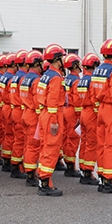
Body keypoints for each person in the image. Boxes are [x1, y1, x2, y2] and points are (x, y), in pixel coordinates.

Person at [90, 39, 112, 194]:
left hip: (101, 110)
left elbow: (92, 94)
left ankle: (102, 177)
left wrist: (97, 109)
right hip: (111, 111)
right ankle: (108, 180)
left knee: (101, 144)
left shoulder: (97, 70)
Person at [36, 43, 67, 197]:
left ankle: (44, 180)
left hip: (45, 113)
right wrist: (54, 121)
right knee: (51, 148)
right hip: (52, 115)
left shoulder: (46, 75)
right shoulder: (55, 77)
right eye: (62, 57)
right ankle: (44, 183)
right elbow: (53, 100)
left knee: (45, 147)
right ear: (57, 59)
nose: (64, 60)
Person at [20, 50, 44, 187]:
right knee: (33, 146)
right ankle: (30, 175)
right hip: (33, 115)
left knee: (27, 144)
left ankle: (28, 170)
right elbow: (37, 101)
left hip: (26, 113)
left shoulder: (25, 78)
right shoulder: (36, 80)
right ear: (37, 64)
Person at [77, 53, 101, 185]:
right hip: (91, 113)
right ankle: (87, 172)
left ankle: (83, 167)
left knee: (84, 142)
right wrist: (99, 115)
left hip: (83, 112)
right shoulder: (92, 80)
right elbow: (94, 99)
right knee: (92, 143)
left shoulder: (82, 80)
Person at [8, 50, 29, 179]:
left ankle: (17, 165)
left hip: (14, 109)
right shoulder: (23, 78)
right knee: (21, 140)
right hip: (21, 110)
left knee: (17, 139)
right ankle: (16, 167)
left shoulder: (15, 76)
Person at [62, 54, 82, 178]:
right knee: (73, 139)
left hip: (64, 109)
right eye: (79, 63)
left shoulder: (65, 79)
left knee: (65, 137)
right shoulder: (76, 81)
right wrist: (80, 116)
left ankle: (67, 163)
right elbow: (77, 100)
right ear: (75, 66)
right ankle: (70, 166)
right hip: (73, 112)